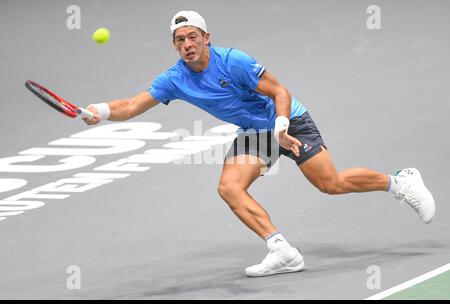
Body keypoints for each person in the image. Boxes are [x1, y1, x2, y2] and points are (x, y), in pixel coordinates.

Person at [83, 10, 436, 277]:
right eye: (179, 40)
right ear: (174, 45)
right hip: (253, 133)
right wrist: (99, 111)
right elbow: (131, 106)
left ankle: (401, 182)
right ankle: (282, 250)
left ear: (207, 38)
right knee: (229, 188)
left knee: (331, 184)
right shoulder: (173, 79)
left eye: (192, 37)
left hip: (289, 121)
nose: (187, 45)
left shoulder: (233, 61)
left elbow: (280, 91)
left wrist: (282, 126)